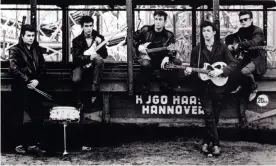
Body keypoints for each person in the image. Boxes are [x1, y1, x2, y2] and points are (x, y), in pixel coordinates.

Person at [184, 21, 238, 156]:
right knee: (208, 113)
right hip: (203, 87)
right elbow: (193, 68)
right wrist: (189, 71)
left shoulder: (222, 47)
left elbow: (233, 64)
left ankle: (206, 142)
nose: (205, 33)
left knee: (214, 116)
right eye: (203, 31)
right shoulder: (196, 50)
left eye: (208, 30)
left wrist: (221, 72)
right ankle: (216, 144)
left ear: (214, 32)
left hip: (219, 86)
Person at [9, 24, 47, 155]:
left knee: (37, 115)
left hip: (34, 87)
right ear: (22, 36)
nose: (31, 38)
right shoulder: (14, 50)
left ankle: (32, 144)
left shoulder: (37, 50)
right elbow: (13, 69)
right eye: (28, 36)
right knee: (18, 117)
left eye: (33, 35)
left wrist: (36, 81)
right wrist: (27, 81)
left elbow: (42, 67)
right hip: (20, 87)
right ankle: (19, 145)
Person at [71, 15, 108, 151]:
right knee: (75, 79)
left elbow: (104, 54)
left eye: (90, 25)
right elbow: (75, 58)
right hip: (81, 66)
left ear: (93, 26)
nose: (88, 28)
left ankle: (94, 87)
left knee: (99, 61)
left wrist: (99, 45)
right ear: (82, 27)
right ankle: (77, 100)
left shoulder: (99, 37)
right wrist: (87, 57)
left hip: (93, 68)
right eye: (86, 26)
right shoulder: (77, 40)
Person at [133, 10, 182, 98]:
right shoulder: (146, 30)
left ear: (165, 21)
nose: (158, 22)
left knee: (177, 62)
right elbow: (131, 38)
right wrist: (138, 46)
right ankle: (145, 87)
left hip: (161, 60)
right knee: (145, 63)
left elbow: (173, 49)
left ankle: (166, 85)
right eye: (156, 19)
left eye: (160, 19)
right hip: (147, 59)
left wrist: (167, 56)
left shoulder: (169, 35)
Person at [226, 10, 267, 101]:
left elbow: (254, 42)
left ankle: (253, 88)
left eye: (245, 19)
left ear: (251, 19)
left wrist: (240, 45)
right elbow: (230, 37)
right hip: (245, 58)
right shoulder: (241, 30)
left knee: (244, 71)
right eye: (241, 20)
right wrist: (229, 44)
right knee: (232, 68)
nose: (243, 22)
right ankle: (240, 85)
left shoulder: (258, 31)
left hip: (257, 59)